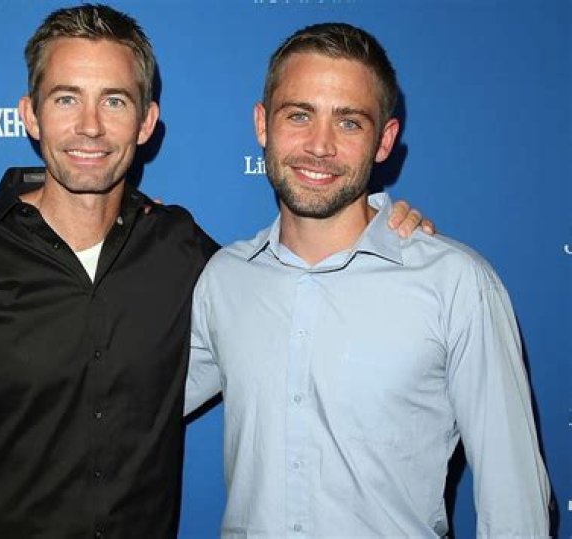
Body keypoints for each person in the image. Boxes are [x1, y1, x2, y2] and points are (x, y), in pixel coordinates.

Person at [0, 5, 429, 538]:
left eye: (114, 101)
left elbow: (289, 280)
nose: (90, 126)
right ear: (30, 114)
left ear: (145, 122)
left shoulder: (180, 248)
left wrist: (377, 225)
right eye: (67, 98)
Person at [185, 22, 550, 538]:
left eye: (349, 123)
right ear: (262, 125)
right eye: (299, 115)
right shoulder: (225, 279)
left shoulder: (455, 284)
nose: (320, 145)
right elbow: (124, 404)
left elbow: (515, 506)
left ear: (384, 141)